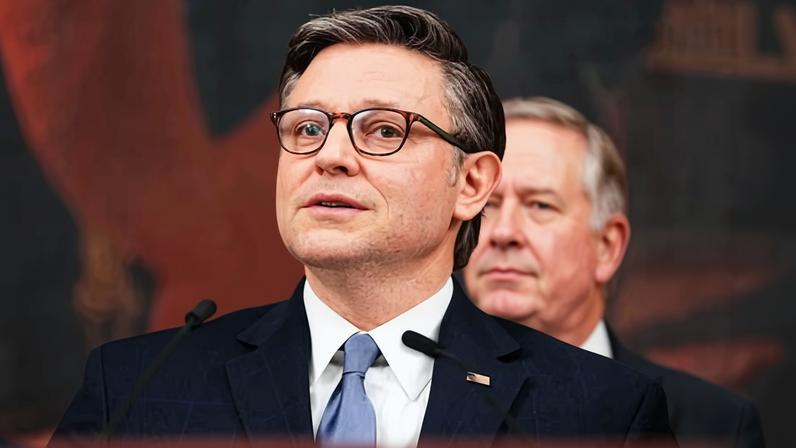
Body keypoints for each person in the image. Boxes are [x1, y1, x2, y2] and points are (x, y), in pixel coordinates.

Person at [51, 7, 674, 447]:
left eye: (383, 130)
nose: (330, 156)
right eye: (307, 128)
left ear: (473, 184)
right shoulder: (139, 390)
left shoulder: (597, 412)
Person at [463, 96, 765, 447]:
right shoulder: (407, 395)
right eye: (488, 206)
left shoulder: (714, 426)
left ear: (607, 246)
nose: (503, 233)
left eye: (540, 205)